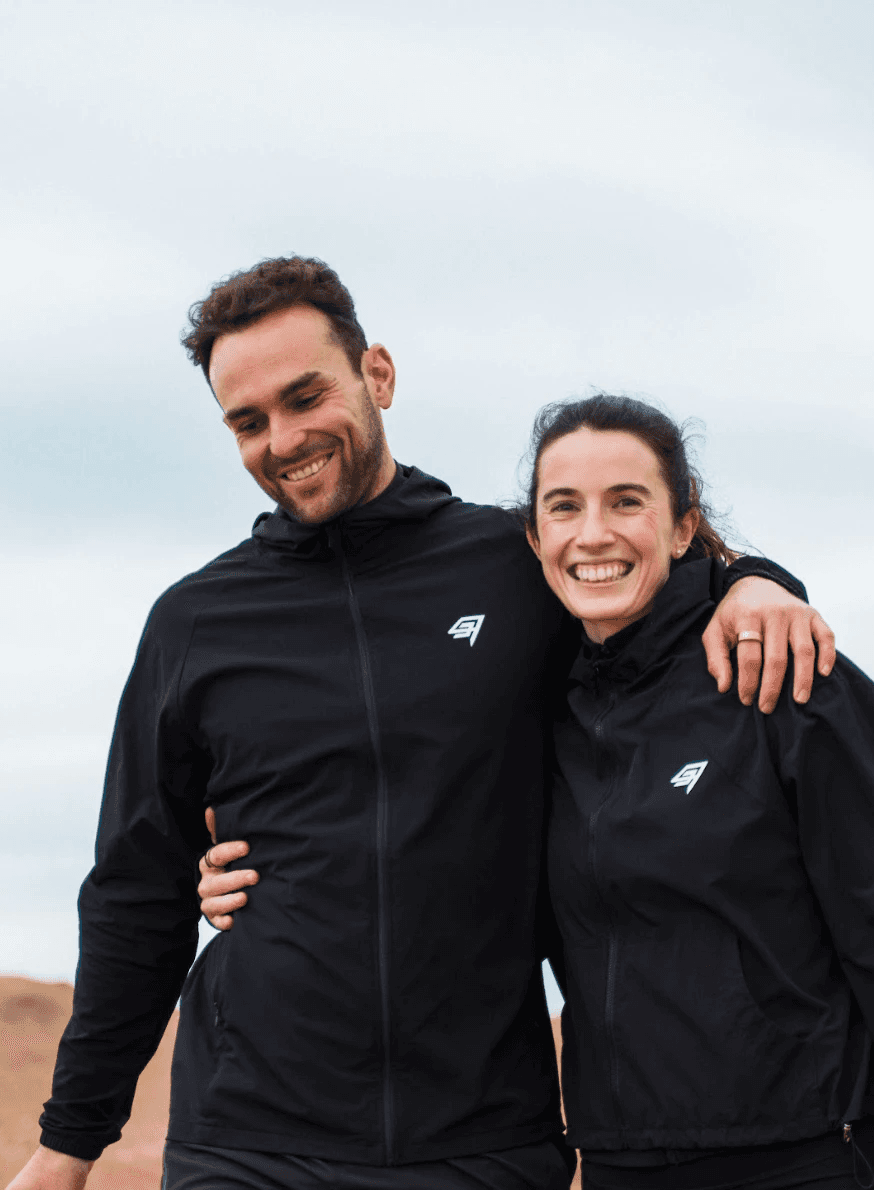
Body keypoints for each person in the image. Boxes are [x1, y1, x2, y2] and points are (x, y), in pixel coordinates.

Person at [9, 258, 833, 1190]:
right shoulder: (195, 623)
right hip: (252, 1141)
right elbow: (135, 892)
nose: (283, 438)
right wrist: (70, 1142)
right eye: (248, 421)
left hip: (482, 1141)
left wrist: (759, 579)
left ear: (378, 377)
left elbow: (642, 578)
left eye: (304, 395)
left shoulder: (512, 567)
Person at [522, 395, 874, 1189]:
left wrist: (753, 580)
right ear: (536, 537)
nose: (594, 534)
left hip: (805, 1152)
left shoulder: (780, 674)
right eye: (565, 507)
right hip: (619, 1159)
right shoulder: (536, 710)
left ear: (683, 527)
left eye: (626, 502)